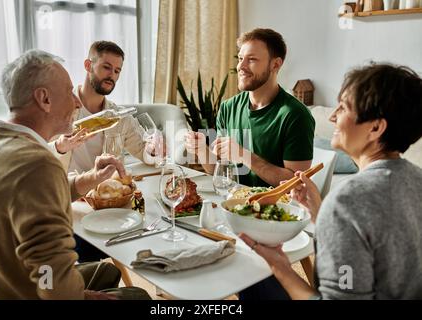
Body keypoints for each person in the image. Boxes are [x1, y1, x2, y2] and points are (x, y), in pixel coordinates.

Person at [0, 50, 150, 300]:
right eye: (68, 92)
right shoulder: (37, 165)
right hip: (23, 290)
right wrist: (90, 297)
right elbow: (50, 273)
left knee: (107, 271)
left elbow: (29, 196)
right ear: (44, 99)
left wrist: (91, 178)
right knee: (137, 296)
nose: (76, 102)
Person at [241, 63, 422, 299]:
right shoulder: (416, 179)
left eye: (343, 107)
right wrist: (320, 214)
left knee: (249, 273)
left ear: (376, 128)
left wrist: (281, 267)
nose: (332, 116)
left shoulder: (348, 201)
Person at [185, 28, 315, 187]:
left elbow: (296, 184)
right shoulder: (228, 108)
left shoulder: (295, 115)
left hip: (276, 210)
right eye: (240, 58)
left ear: (275, 64)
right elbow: (218, 170)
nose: (241, 66)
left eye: (251, 59)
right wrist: (201, 149)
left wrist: (243, 155)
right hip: (233, 204)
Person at [51, 40, 161, 173]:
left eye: (117, 71)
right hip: (69, 190)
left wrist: (155, 149)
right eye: (106, 67)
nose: (112, 75)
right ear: (88, 65)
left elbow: (147, 155)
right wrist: (59, 147)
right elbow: (35, 154)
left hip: (109, 191)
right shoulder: (57, 108)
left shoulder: (120, 117)